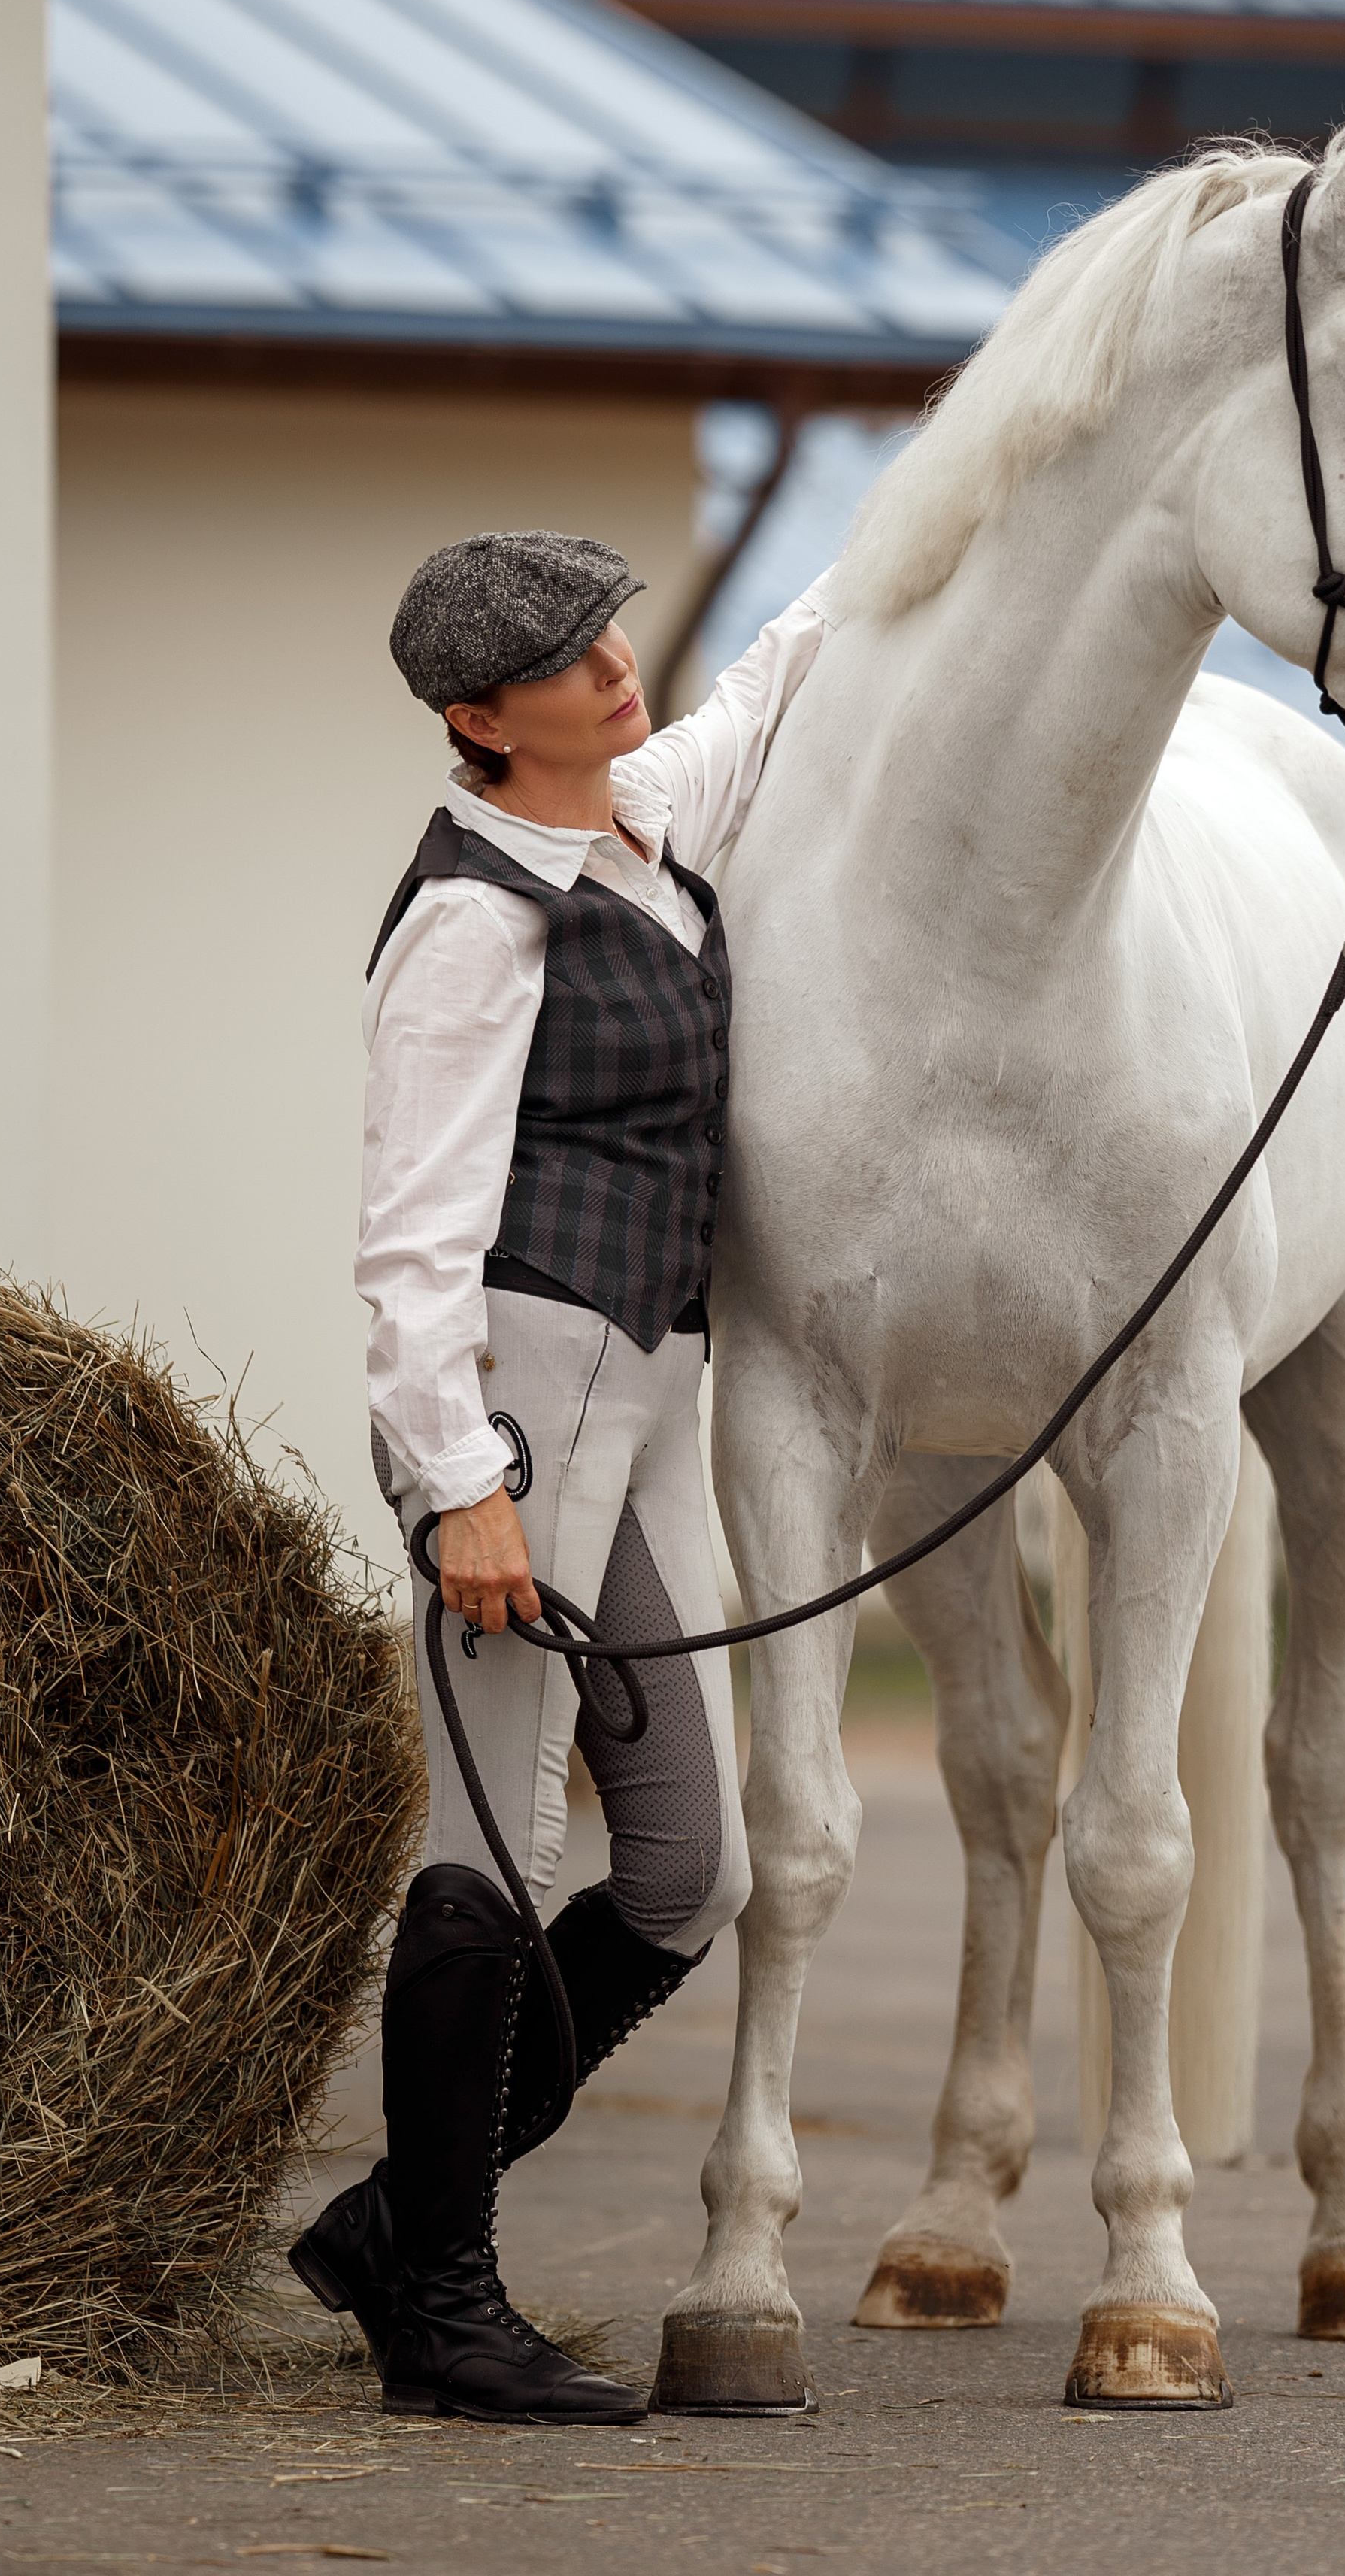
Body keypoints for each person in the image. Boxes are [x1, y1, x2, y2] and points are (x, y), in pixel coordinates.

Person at [288, 530, 828, 2424]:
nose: (610, 663)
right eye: (557, 655)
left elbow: (761, 693)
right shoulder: (474, 917)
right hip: (520, 1398)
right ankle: (438, 2304)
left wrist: (945, 509)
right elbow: (411, 1238)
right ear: (473, 720)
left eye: (601, 629)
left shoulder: (635, 827)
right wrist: (461, 1488)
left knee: (688, 1872)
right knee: (495, 1844)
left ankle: (389, 2227)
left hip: (649, 1394)